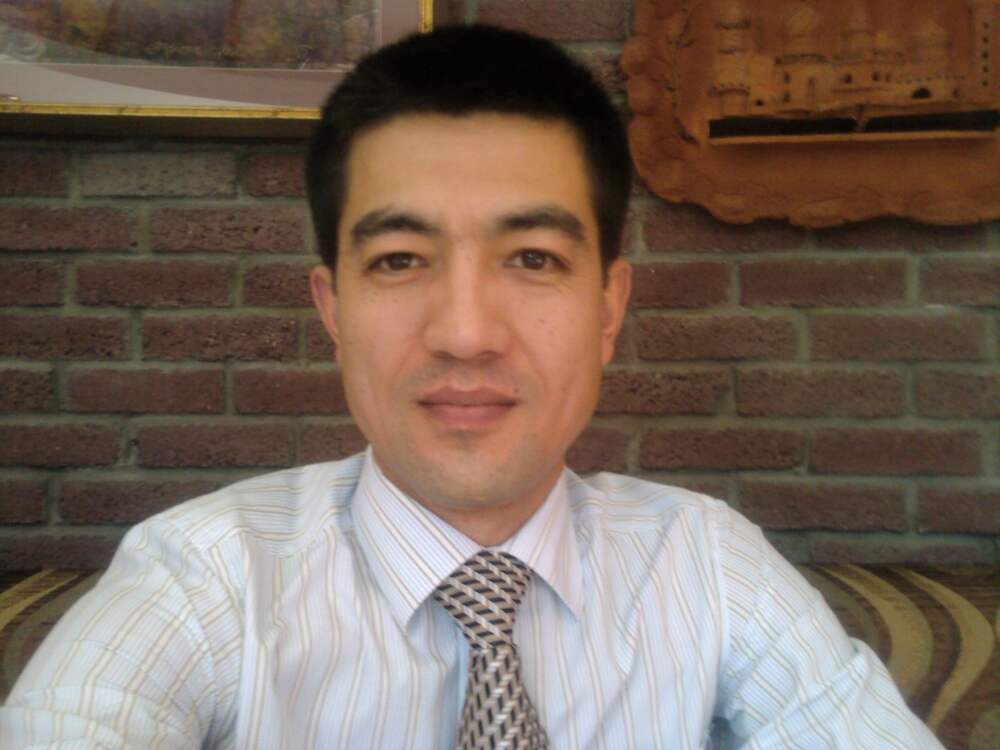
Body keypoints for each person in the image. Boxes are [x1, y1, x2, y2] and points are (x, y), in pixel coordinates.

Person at [1, 24, 942, 750]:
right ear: (333, 308)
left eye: (533, 257)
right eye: (399, 259)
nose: (464, 334)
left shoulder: (707, 564)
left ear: (609, 308)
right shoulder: (205, 578)